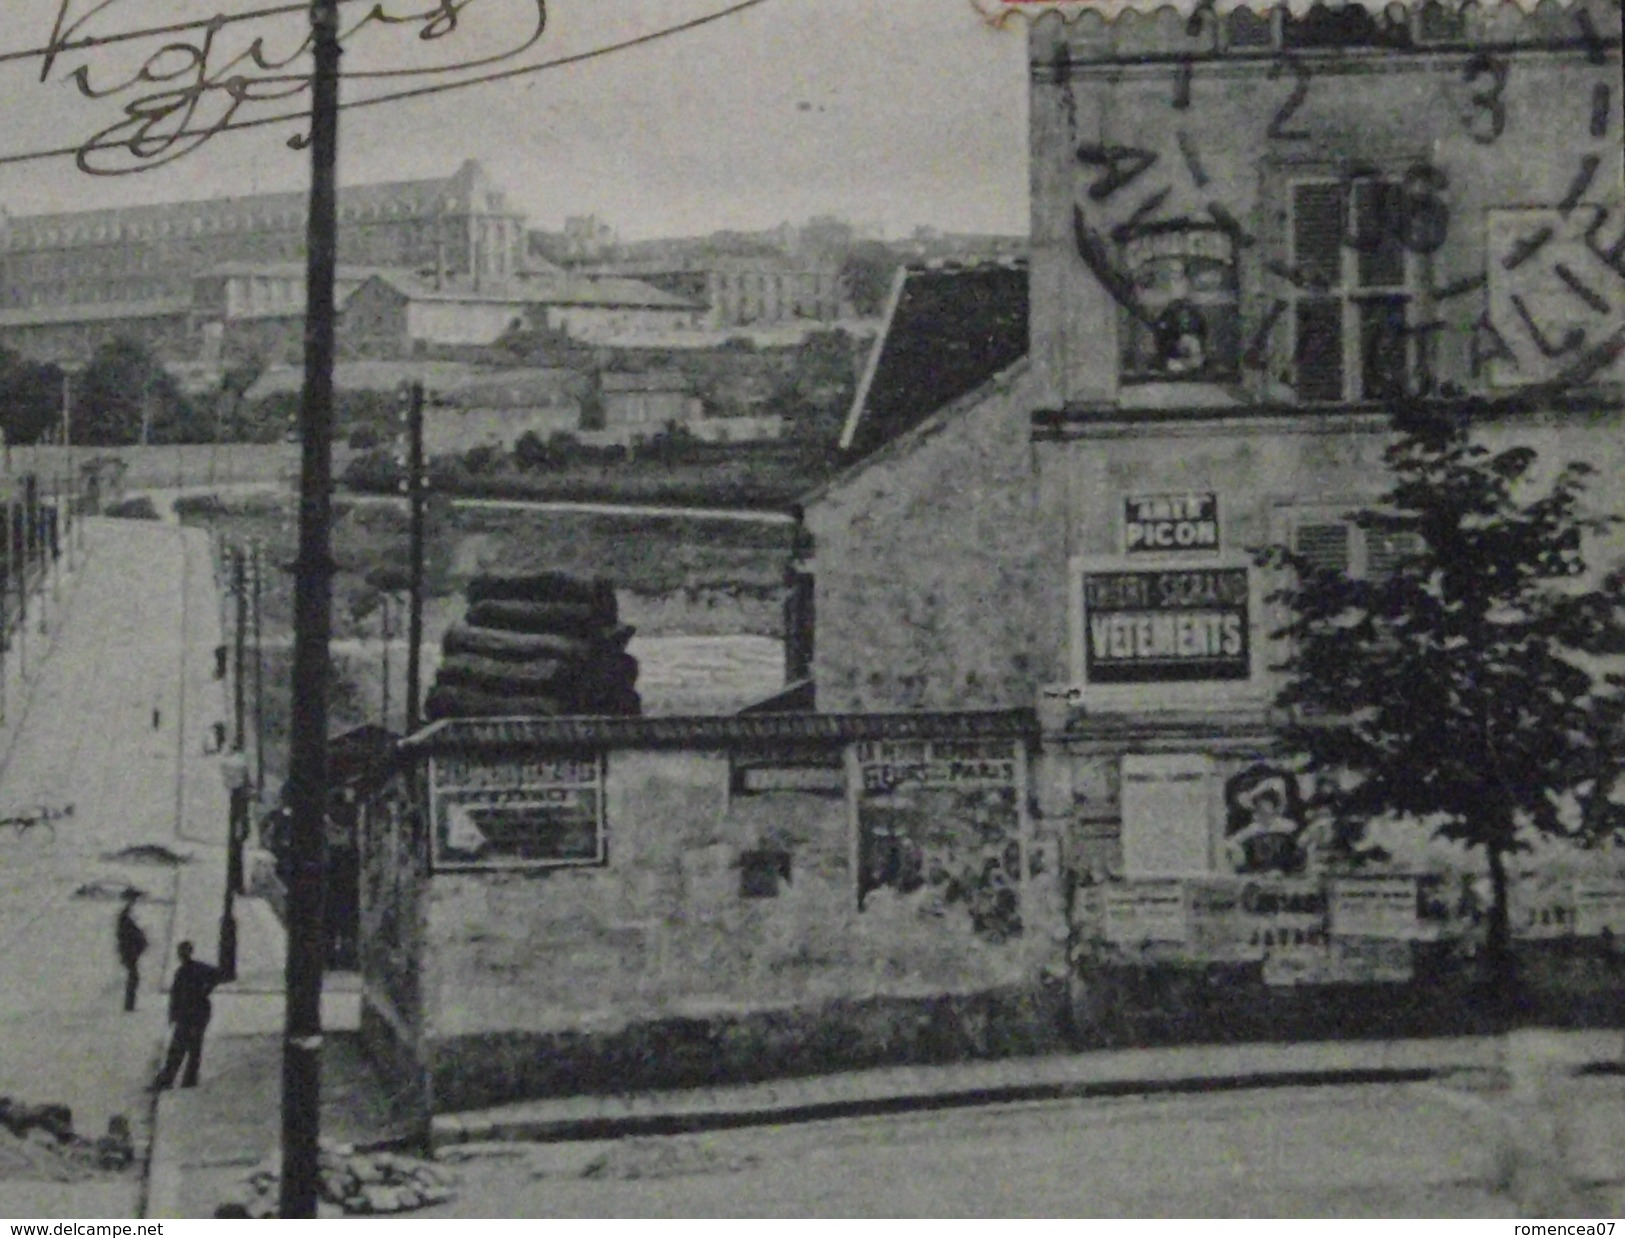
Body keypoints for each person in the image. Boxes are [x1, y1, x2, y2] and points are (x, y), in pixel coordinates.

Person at [150, 941, 223, 1090]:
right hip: (195, 1013)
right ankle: (187, 1080)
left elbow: (175, 996)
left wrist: (174, 1014)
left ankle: (172, 1080)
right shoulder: (192, 970)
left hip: (193, 1013)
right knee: (191, 1048)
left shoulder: (188, 971)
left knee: (180, 1048)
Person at [115, 891, 147, 1013]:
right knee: (133, 977)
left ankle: (129, 1004)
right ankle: (129, 1005)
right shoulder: (125, 920)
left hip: (130, 951)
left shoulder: (125, 919)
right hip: (129, 952)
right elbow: (127, 935)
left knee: (133, 976)